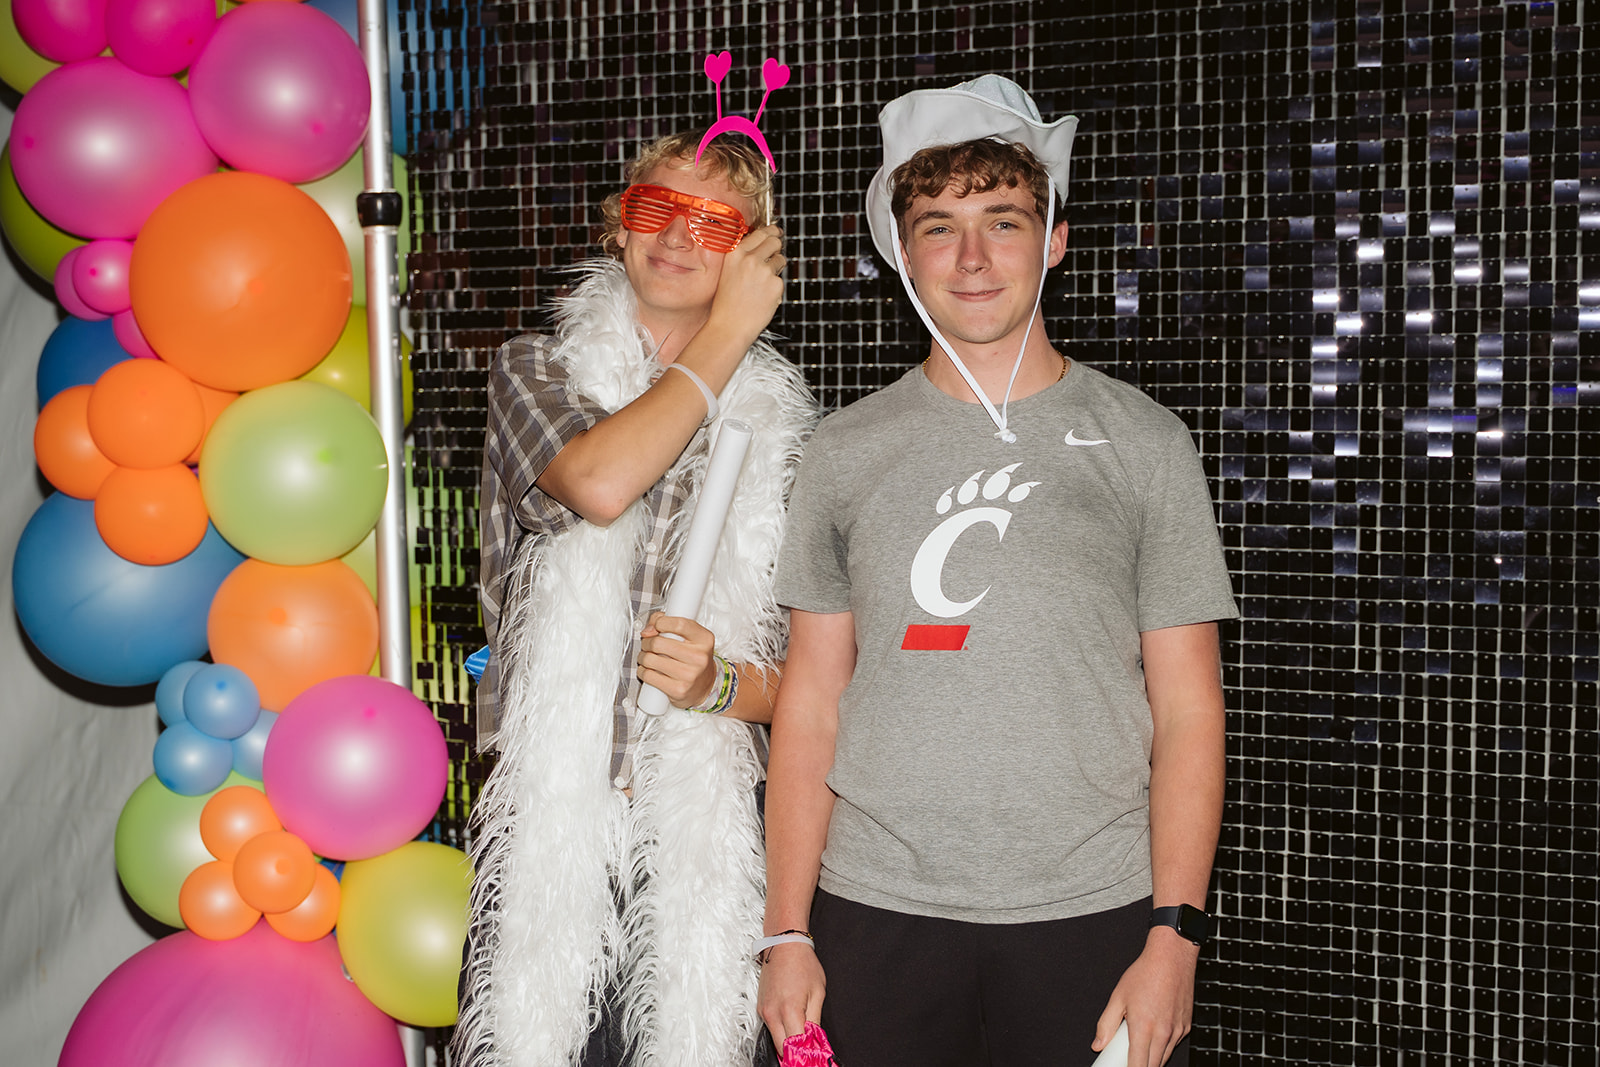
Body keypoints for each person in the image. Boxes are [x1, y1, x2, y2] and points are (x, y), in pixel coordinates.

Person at [756, 76, 1238, 1067]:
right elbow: (811, 700)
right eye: (937, 227)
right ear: (899, 254)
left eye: (1002, 221)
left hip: (1095, 914)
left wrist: (1173, 932)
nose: (971, 258)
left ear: (1053, 238)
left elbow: (1189, 708)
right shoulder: (842, 450)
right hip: (870, 914)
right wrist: (786, 929)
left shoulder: (1147, 440)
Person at [455, 129, 816, 1067]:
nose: (676, 236)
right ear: (620, 227)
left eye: (713, 221)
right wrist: (731, 332)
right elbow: (600, 481)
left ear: (750, 252)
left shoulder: (789, 437)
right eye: (654, 209)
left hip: (701, 855)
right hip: (551, 834)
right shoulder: (536, 367)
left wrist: (722, 687)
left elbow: (823, 687)